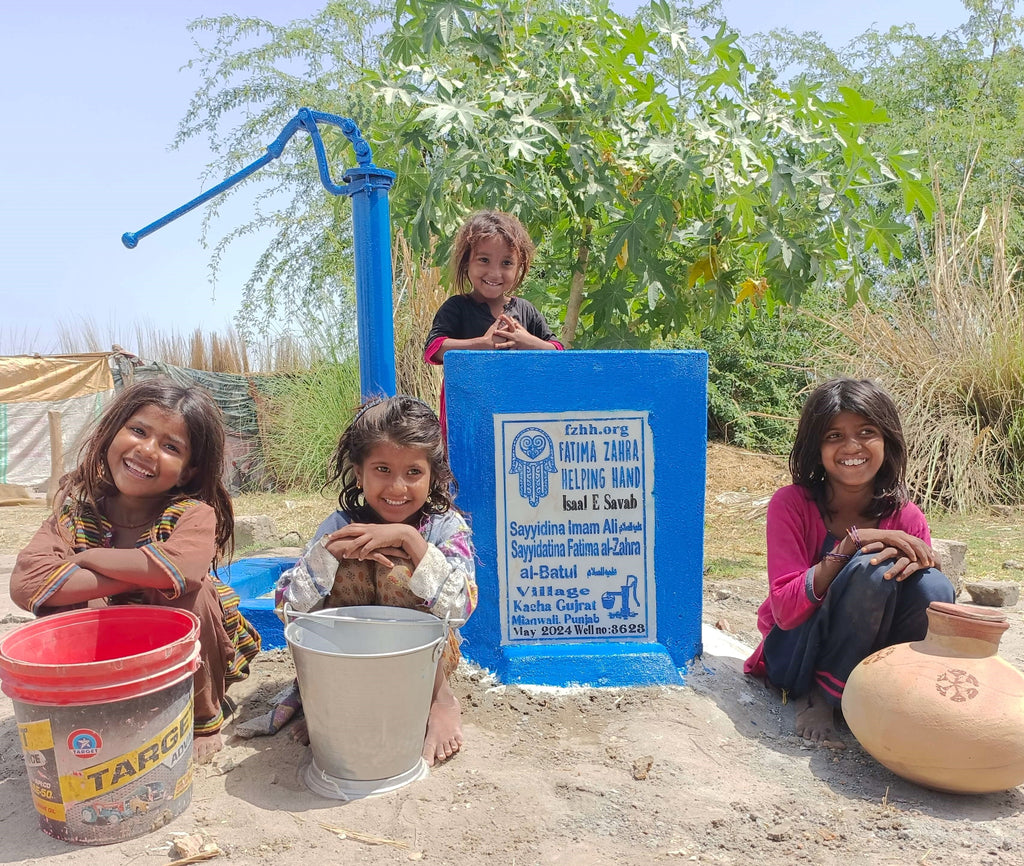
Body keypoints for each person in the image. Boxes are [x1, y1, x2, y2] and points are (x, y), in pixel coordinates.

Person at [11, 378, 260, 763]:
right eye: (139, 431)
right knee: (58, 605)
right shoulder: (78, 512)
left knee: (187, 593)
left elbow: (184, 570)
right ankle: (90, 701)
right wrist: (135, 571)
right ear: (114, 433)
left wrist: (88, 559)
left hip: (185, 655)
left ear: (188, 471)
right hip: (109, 650)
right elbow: (27, 582)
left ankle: (204, 715)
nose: (147, 451)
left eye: (170, 446)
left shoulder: (191, 514)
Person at [744, 378, 954, 745]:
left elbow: (922, 600)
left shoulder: (907, 518)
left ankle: (886, 692)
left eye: (866, 432)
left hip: (866, 657)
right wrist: (851, 544)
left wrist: (924, 563)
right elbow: (786, 611)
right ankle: (820, 696)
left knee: (934, 585)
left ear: (886, 441)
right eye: (834, 436)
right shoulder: (791, 504)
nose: (852, 446)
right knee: (869, 569)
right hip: (796, 653)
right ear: (817, 447)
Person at [275, 395, 477, 766]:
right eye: (382, 469)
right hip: (348, 662)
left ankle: (440, 698)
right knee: (342, 563)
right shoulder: (339, 526)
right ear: (358, 472)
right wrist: (329, 555)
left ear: (433, 474)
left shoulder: (444, 528)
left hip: (422, 666)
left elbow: (461, 608)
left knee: (398, 573)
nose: (397, 488)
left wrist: (411, 543)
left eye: (413, 472)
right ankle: (324, 696)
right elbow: (289, 607)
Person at [424, 211, 563, 435]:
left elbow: (558, 353)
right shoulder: (457, 307)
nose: (495, 272)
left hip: (518, 418)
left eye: (506, 263)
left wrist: (527, 342)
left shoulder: (525, 310)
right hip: (466, 419)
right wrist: (482, 344)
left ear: (520, 267)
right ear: (466, 261)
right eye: (484, 260)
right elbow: (435, 349)